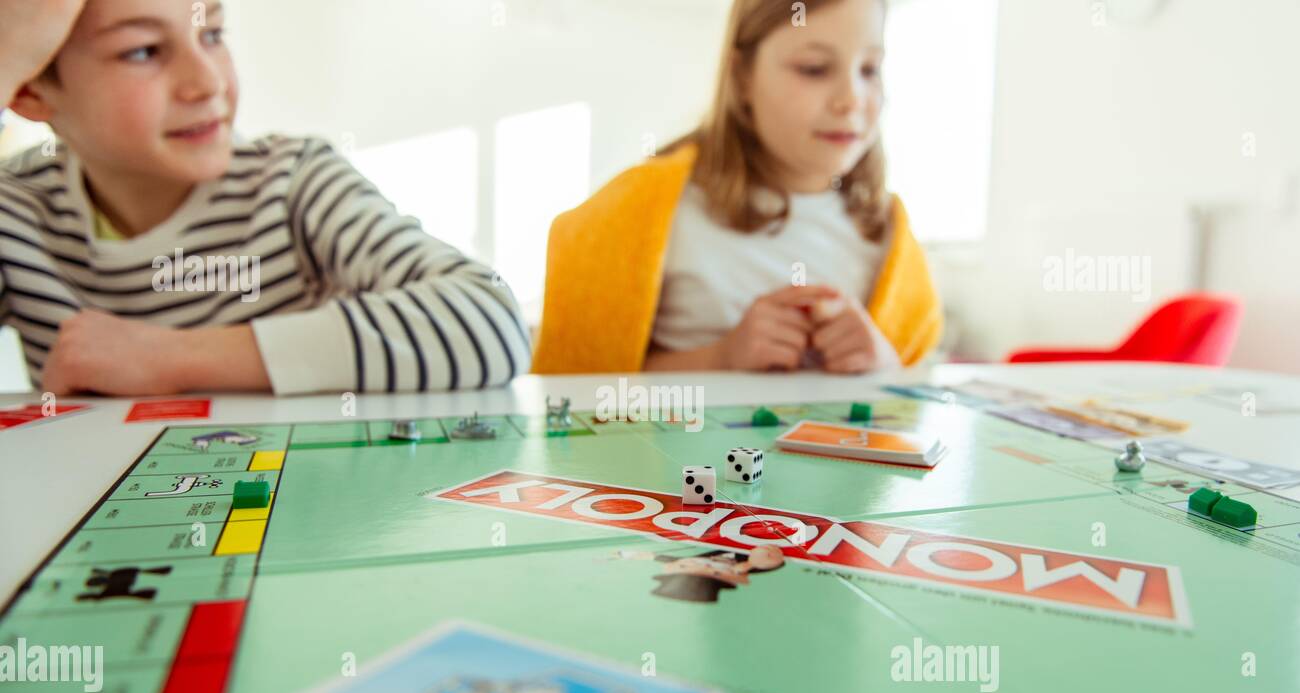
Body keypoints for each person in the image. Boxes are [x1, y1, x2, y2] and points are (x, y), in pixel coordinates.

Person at [0, 0, 530, 397]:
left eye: (212, 34)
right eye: (142, 51)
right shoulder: (17, 205)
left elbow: (490, 320)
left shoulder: (292, 180)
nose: (207, 82)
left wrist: (172, 358)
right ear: (26, 89)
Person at [533, 0, 941, 376]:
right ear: (742, 77)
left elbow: (919, 386)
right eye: (814, 68)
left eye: (870, 69)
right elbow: (582, 387)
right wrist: (723, 357)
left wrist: (883, 363)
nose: (852, 99)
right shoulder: (646, 210)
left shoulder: (887, 231)